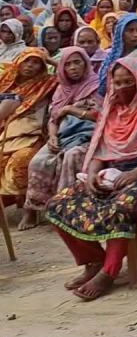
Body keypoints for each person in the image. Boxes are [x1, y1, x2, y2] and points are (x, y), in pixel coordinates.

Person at [45, 60, 137, 301]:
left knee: (123, 206)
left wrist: (134, 174)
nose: (121, 88)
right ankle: (93, 260)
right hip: (110, 171)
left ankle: (110, 271)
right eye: (116, 83)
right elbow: (100, 147)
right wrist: (91, 175)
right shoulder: (112, 109)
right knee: (59, 204)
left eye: (128, 82)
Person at [20, 47, 101, 229]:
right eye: (68, 64)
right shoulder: (60, 89)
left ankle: (69, 211)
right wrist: (52, 137)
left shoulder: (96, 85)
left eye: (77, 62)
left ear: (85, 64)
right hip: (63, 135)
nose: (73, 68)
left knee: (71, 157)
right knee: (38, 161)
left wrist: (72, 110)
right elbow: (53, 119)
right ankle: (32, 210)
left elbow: (102, 116)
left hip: (91, 135)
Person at [0, 48, 58, 224]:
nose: (30, 66)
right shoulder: (5, 81)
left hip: (32, 135)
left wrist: (51, 61)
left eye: (36, 63)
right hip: (5, 132)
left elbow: (69, 75)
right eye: (27, 61)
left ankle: (30, 211)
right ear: (19, 62)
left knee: (21, 160)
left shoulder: (47, 83)